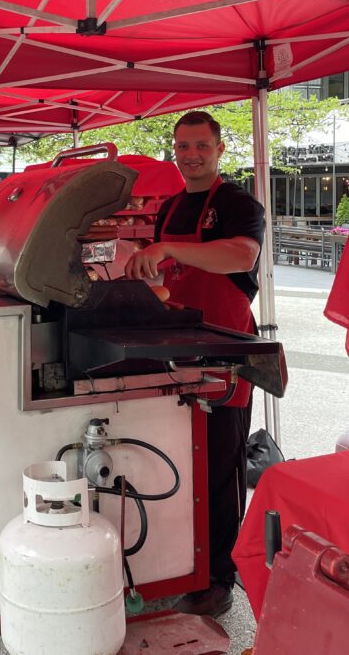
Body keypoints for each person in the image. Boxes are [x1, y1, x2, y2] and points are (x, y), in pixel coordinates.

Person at [124, 111, 265, 619]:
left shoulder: (238, 203)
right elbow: (168, 276)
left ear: (220, 149)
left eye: (201, 145)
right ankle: (181, 563)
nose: (191, 155)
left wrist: (167, 248)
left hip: (226, 351)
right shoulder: (170, 207)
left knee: (222, 470)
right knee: (180, 461)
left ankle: (219, 578)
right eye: (183, 146)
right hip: (179, 344)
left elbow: (242, 257)